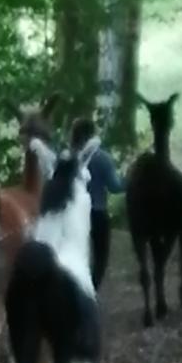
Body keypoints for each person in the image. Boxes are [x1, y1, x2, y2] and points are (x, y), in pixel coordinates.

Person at [70, 118, 124, 289]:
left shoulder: (70, 157)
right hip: (98, 212)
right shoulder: (103, 158)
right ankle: (91, 289)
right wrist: (130, 180)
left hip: (74, 212)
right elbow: (115, 187)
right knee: (100, 257)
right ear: (91, 134)